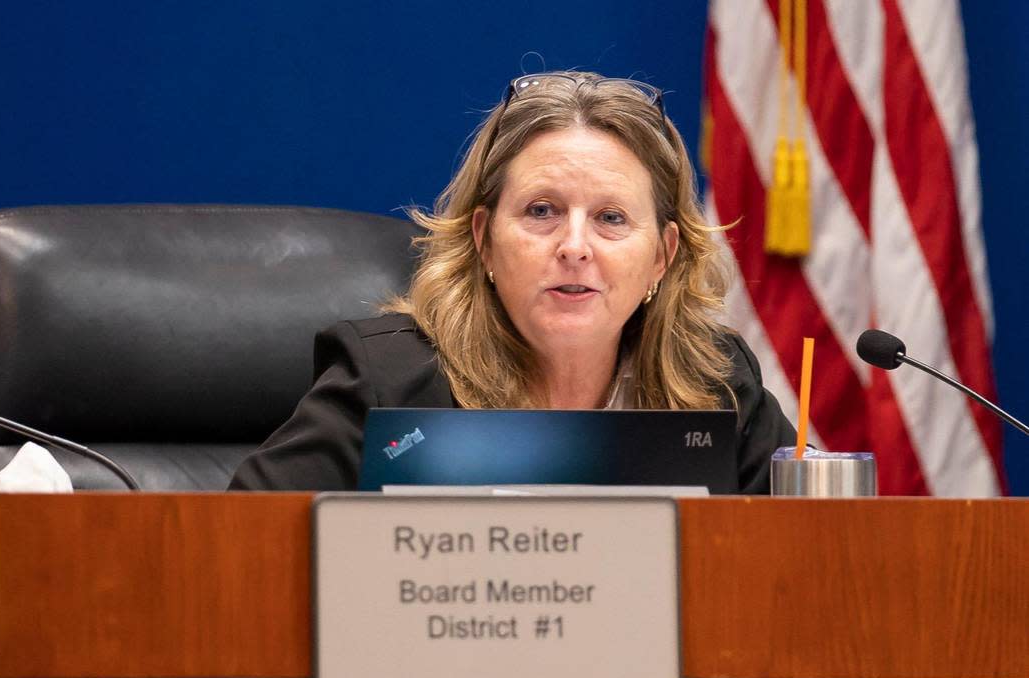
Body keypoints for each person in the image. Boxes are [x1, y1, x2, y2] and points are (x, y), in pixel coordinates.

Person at [229, 71, 795, 493]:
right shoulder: (389, 384)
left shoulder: (717, 384)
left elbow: (799, 568)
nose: (575, 246)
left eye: (611, 218)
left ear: (662, 257)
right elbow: (240, 542)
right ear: (484, 239)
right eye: (542, 211)